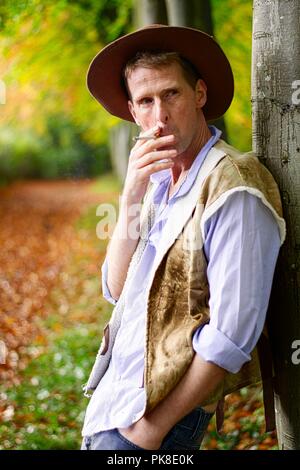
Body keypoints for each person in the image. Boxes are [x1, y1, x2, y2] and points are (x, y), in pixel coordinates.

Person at [81, 24, 285, 451]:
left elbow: (231, 336)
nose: (161, 116)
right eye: (146, 101)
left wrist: (154, 428)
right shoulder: (156, 183)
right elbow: (116, 289)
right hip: (116, 396)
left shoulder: (233, 184)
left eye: (171, 94)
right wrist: (132, 192)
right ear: (134, 113)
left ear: (200, 94)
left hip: (158, 418)